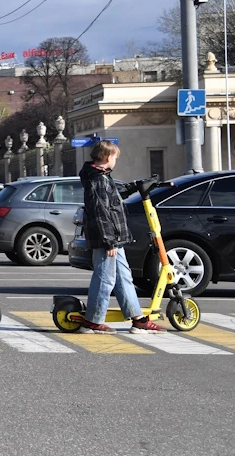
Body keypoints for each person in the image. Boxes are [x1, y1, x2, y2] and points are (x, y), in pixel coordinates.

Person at [79, 140, 164, 334]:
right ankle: (93, 320)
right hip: (107, 240)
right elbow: (101, 212)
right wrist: (109, 241)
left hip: (113, 238)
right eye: (115, 158)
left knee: (124, 277)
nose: (116, 161)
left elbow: (114, 196)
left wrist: (137, 186)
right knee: (105, 279)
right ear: (108, 158)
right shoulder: (98, 180)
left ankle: (138, 319)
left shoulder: (101, 177)